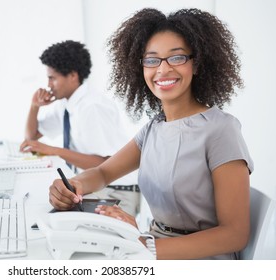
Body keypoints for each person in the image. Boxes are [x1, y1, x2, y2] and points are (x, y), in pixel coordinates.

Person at [48, 8, 254, 260]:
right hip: (150, 247)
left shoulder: (221, 130)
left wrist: (145, 246)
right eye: (152, 60)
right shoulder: (154, 128)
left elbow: (235, 234)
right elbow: (103, 172)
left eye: (176, 58)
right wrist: (73, 186)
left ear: (197, 64)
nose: (162, 70)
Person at [20, 40, 140, 216]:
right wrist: (34, 106)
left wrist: (53, 150)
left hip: (117, 190)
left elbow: (104, 164)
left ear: (73, 76)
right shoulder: (67, 104)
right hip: (96, 186)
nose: (48, 84)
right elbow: (31, 137)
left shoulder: (91, 107)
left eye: (52, 78)